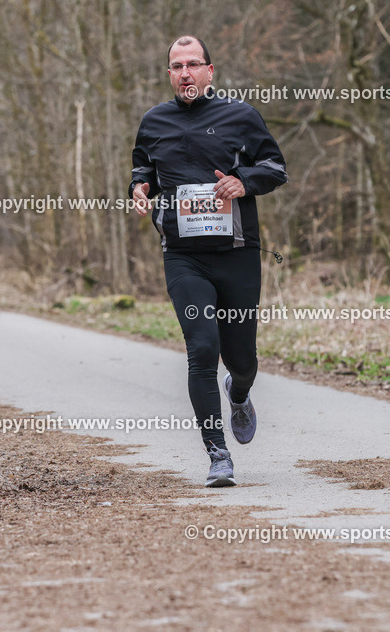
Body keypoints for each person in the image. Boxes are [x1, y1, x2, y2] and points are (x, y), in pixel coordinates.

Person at [130, 35, 288, 487]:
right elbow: (143, 171)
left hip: (237, 254)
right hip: (183, 256)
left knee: (242, 360)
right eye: (177, 66)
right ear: (169, 74)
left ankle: (239, 393)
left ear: (210, 71)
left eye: (193, 64)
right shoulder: (153, 121)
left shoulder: (240, 116)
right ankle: (218, 455)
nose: (185, 73)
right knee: (202, 349)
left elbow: (276, 167)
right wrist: (140, 192)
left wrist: (244, 182)